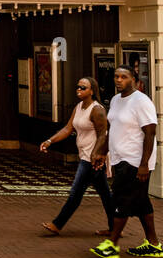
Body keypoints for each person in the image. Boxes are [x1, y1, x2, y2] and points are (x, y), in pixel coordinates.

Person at [90, 64, 163, 258]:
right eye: (116, 76)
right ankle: (153, 244)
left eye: (123, 77)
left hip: (134, 161)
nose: (118, 80)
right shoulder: (115, 100)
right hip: (119, 159)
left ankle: (112, 244)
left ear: (134, 80)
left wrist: (144, 164)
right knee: (140, 203)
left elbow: (150, 133)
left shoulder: (141, 101)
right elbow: (112, 130)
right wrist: (102, 153)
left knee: (120, 200)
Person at [40, 77, 114, 236]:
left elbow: (104, 134)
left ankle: (57, 224)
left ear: (92, 91)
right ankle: (115, 227)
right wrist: (49, 141)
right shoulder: (79, 107)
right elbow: (68, 128)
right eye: (78, 87)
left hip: (92, 159)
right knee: (105, 195)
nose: (79, 89)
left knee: (76, 193)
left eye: (83, 87)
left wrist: (97, 154)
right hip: (86, 156)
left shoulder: (97, 110)